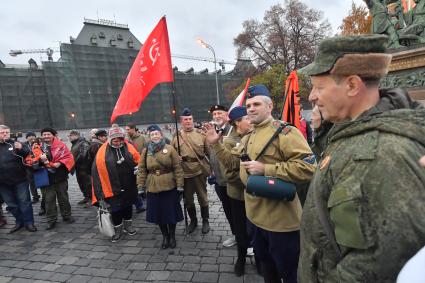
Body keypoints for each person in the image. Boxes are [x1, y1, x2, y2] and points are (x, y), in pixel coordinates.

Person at [299, 34, 425, 282]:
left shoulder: (381, 154)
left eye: (318, 87)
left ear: (352, 85)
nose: (312, 96)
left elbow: (376, 266)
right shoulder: (351, 131)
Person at [210, 85, 316, 283]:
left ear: (269, 106)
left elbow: (308, 167)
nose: (250, 108)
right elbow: (233, 162)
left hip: (281, 223)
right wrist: (216, 144)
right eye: (248, 105)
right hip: (256, 219)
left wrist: (266, 169)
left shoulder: (285, 132)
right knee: (268, 272)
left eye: (256, 104)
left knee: (291, 274)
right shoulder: (249, 136)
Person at [205, 106, 255, 276]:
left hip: (256, 195)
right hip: (239, 194)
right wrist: (250, 181)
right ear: (238, 123)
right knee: (240, 230)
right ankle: (241, 258)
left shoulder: (255, 137)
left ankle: (260, 259)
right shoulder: (228, 141)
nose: (251, 120)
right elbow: (229, 175)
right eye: (247, 118)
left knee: (257, 229)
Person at [137, 124, 184, 249]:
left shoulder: (170, 149)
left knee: (170, 213)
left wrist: (180, 185)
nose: (155, 136)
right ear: (149, 137)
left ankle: (172, 236)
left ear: (161, 135)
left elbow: (177, 168)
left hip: (169, 185)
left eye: (157, 133)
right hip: (153, 186)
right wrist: (140, 186)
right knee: (159, 214)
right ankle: (165, 236)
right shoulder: (146, 151)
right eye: (152, 134)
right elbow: (141, 169)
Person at [92, 127, 140, 242]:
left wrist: (138, 168)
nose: (118, 142)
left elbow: (138, 160)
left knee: (128, 207)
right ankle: (118, 230)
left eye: (120, 140)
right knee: (116, 209)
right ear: (110, 140)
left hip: (129, 184)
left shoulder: (129, 147)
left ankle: (128, 226)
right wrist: (99, 193)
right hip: (111, 187)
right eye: (115, 140)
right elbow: (96, 172)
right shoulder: (102, 152)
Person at [172, 108, 211, 234]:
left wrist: (214, 170)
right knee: (188, 200)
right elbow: (172, 155)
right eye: (185, 119)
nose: (188, 121)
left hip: (199, 171)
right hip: (184, 173)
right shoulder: (176, 137)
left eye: (190, 119)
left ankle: (205, 220)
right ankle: (193, 221)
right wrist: (175, 158)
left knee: (202, 197)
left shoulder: (201, 135)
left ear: (193, 120)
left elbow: (209, 153)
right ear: (181, 121)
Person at [208, 104, 236, 247]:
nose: (216, 116)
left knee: (237, 211)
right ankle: (235, 235)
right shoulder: (212, 131)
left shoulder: (233, 130)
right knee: (228, 210)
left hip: (232, 180)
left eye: (219, 113)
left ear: (227, 114)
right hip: (219, 180)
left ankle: (247, 240)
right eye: (214, 114)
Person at [0, 125, 37, 233]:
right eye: (2, 132)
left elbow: (28, 153)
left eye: (7, 132)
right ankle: (19, 222)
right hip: (2, 182)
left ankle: (29, 223)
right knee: (11, 204)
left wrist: (21, 148)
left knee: (24, 202)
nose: (5, 134)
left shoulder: (15, 143)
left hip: (20, 179)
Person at [39, 128, 75, 230]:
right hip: (46, 177)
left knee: (63, 197)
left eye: (48, 134)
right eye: (44, 134)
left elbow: (69, 157)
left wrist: (59, 163)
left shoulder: (61, 145)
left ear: (53, 135)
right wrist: (41, 161)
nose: (46, 136)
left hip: (60, 175)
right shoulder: (38, 147)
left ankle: (66, 215)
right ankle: (51, 220)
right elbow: (33, 161)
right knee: (49, 199)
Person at [125, 123, 147, 214]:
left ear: (133, 129)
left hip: (140, 163)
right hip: (129, 165)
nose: (127, 131)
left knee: (141, 180)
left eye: (128, 129)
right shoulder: (125, 139)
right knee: (132, 183)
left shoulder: (142, 138)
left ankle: (143, 194)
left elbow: (146, 150)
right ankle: (139, 199)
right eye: (126, 129)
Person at [68, 130, 92, 205]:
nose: (69, 138)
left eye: (70, 136)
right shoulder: (75, 143)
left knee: (87, 184)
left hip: (84, 167)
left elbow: (84, 154)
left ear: (76, 135)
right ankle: (86, 197)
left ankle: (91, 199)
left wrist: (74, 162)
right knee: (81, 183)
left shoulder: (83, 143)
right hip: (78, 168)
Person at [24, 132, 41, 203]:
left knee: (41, 181)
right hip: (28, 167)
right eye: (29, 136)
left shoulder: (39, 143)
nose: (31, 137)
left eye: (33, 136)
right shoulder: (23, 145)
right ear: (27, 138)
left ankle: (45, 196)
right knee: (31, 183)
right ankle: (35, 196)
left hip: (39, 166)